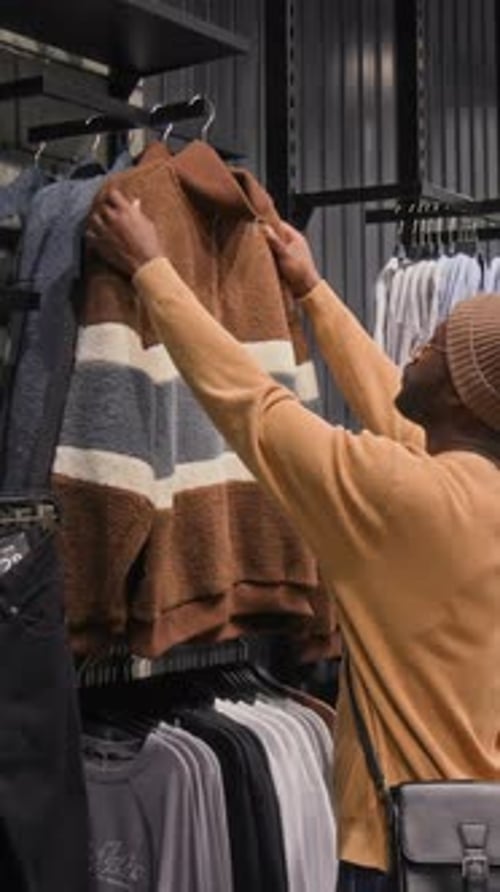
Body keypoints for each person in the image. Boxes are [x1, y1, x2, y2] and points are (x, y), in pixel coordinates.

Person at [87, 190, 500, 892]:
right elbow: (396, 416)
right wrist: (310, 289)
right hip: (477, 844)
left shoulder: (405, 496)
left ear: (463, 397)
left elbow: (255, 407)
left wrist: (153, 270)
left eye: (436, 346)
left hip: (397, 854)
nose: (417, 346)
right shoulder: (461, 490)